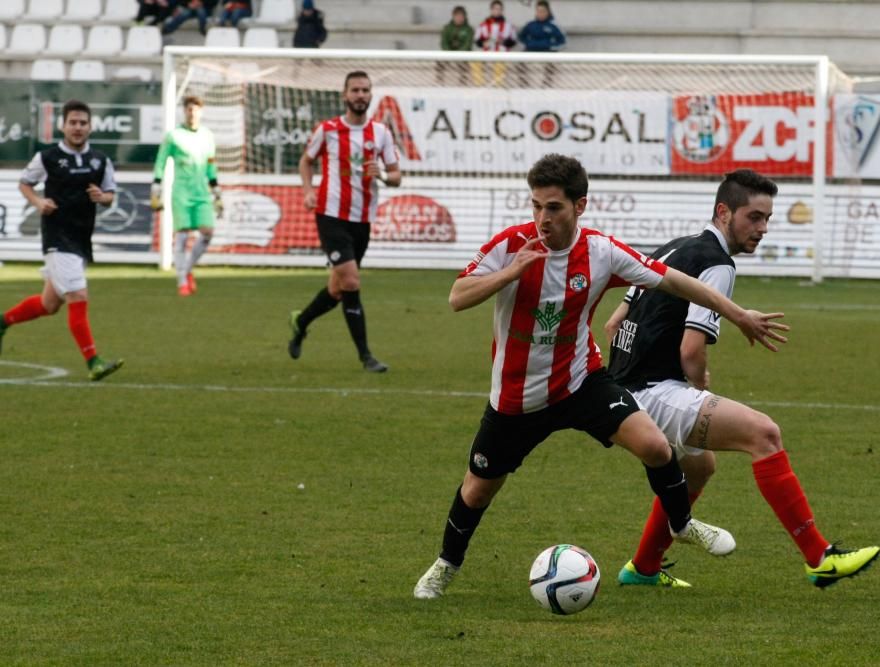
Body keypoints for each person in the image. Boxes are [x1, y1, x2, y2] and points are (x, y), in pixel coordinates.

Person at [412, 154, 790, 600]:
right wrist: (513, 271)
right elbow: (457, 297)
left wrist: (737, 313)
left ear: (580, 205)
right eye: (536, 206)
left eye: (553, 207)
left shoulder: (600, 251)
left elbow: (677, 281)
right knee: (477, 491)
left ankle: (682, 525)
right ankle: (446, 564)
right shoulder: (510, 245)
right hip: (517, 398)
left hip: (581, 382)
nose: (542, 218)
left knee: (653, 444)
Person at [606, 169, 880, 589]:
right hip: (654, 392)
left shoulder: (674, 247)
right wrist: (697, 392)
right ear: (723, 212)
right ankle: (819, 558)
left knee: (699, 469)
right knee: (763, 433)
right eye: (754, 217)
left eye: (768, 219)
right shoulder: (717, 263)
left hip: (625, 389)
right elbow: (690, 350)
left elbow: (614, 323)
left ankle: (642, 568)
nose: (763, 229)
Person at [0, 100, 123, 382]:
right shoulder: (48, 158)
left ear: (91, 127)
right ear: (62, 126)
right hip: (57, 237)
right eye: (73, 122)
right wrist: (38, 202)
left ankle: (2, 321)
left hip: (81, 239)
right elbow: (24, 183)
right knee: (78, 296)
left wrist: (101, 198)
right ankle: (94, 362)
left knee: (49, 305)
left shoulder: (101, 160)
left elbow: (109, 195)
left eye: (82, 123)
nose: (78, 128)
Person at [288, 71, 401, 372]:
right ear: (345, 95)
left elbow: (397, 175)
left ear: (371, 95)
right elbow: (305, 160)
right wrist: (308, 190)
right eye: (355, 90)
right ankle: (366, 357)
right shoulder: (327, 130)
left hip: (362, 219)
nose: (361, 95)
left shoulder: (381, 133)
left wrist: (384, 177)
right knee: (351, 281)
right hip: (330, 214)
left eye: (365, 90)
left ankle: (300, 322)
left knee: (338, 290)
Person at [151, 95, 222, 297]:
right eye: (189, 109)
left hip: (201, 193)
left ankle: (187, 269)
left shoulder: (207, 135)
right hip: (181, 192)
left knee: (207, 232)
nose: (192, 113)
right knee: (181, 236)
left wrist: (216, 190)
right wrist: (156, 186)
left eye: (196, 109)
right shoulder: (174, 136)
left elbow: (210, 165)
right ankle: (182, 281)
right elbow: (161, 161)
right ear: (184, 111)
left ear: (201, 111)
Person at [472, 0, 517, 85]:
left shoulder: (508, 25)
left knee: (500, 63)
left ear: (502, 10)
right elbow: (477, 41)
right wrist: (483, 43)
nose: (497, 11)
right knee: (474, 61)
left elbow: (513, 42)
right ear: (491, 10)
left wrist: (503, 42)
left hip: (502, 54)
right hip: (487, 54)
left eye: (499, 9)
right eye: (495, 9)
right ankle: (479, 85)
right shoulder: (483, 25)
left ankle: (498, 86)